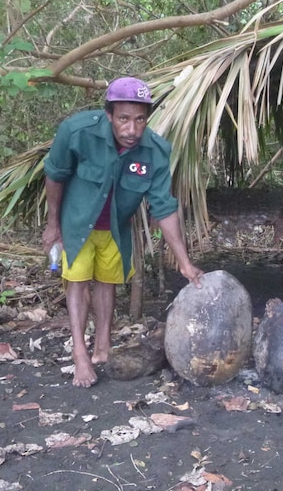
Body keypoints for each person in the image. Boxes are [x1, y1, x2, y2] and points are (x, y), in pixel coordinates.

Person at [42, 76, 203, 388]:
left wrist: (183, 260)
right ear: (109, 116)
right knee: (77, 283)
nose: (132, 130)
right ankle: (80, 354)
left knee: (108, 282)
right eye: (124, 119)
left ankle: (102, 348)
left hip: (116, 229)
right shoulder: (77, 132)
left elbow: (163, 206)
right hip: (77, 226)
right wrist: (53, 226)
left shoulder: (155, 151)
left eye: (140, 119)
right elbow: (55, 174)